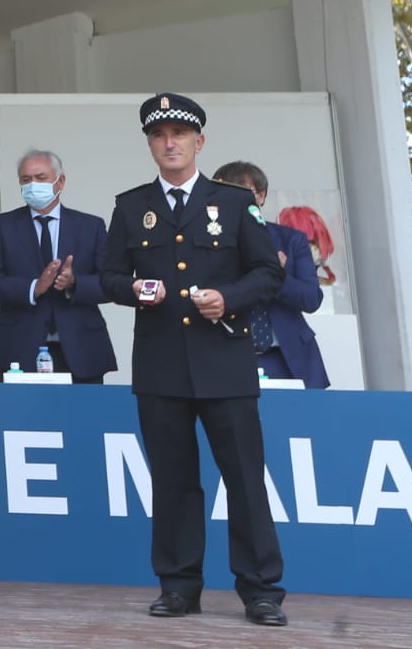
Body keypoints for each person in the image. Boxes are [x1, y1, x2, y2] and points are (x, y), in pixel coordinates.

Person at [101, 94, 288, 626]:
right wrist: (132, 288)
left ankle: (261, 590)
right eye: (159, 135)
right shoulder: (131, 205)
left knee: (245, 481)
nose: (170, 142)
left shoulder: (233, 202)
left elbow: (267, 273)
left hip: (224, 361)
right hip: (161, 366)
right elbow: (108, 276)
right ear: (150, 145)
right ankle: (179, 585)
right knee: (174, 481)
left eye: (180, 134)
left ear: (199, 142)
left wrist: (228, 298)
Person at [0, 149, 116, 383]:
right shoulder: (2, 225)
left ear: (60, 181)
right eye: (25, 179)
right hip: (19, 344)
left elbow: (110, 283)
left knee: (82, 417)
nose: (33, 185)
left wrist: (75, 283)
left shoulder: (90, 226)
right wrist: (34, 288)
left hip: (80, 345)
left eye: (40, 178)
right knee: (24, 419)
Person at [213, 161, 328, 390]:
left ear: (261, 196)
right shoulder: (210, 243)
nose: (234, 203)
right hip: (229, 355)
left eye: (243, 194)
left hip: (289, 358)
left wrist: (276, 275)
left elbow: (311, 299)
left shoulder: (291, 240)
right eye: (226, 195)